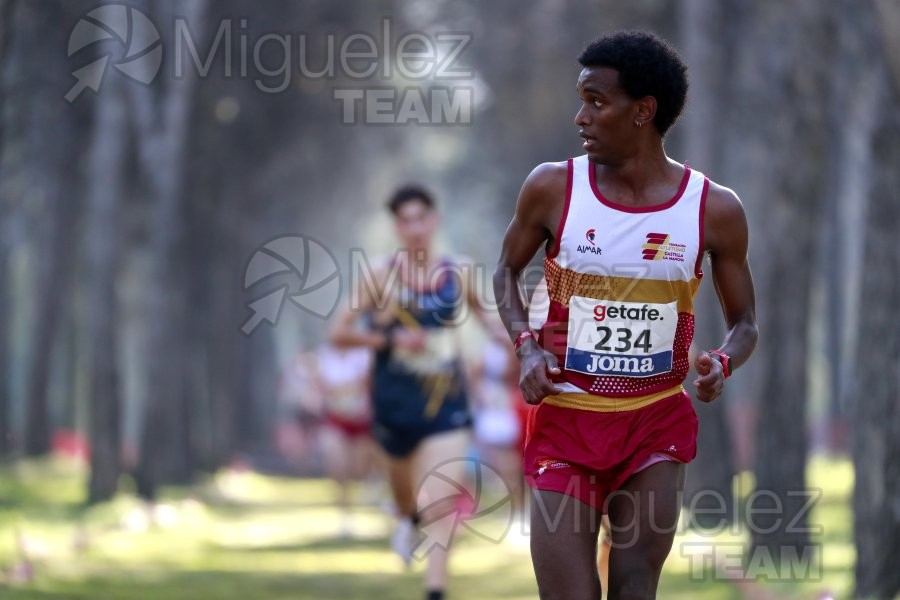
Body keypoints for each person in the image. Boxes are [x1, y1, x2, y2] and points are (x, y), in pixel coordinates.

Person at [493, 31, 758, 599]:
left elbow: (745, 324)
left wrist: (721, 363)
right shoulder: (553, 187)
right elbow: (504, 273)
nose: (580, 116)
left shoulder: (712, 208)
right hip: (566, 422)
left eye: (596, 101)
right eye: (581, 100)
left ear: (643, 111)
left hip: (653, 424)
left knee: (635, 588)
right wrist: (527, 346)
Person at [330, 185, 508, 600]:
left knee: (440, 497)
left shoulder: (458, 272)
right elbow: (338, 334)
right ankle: (408, 520)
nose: (414, 228)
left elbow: (491, 322)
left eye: (420, 218)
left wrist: (527, 345)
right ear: (396, 226)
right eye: (405, 220)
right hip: (393, 407)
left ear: (434, 220)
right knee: (409, 497)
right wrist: (390, 342)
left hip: (446, 402)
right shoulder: (380, 275)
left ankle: (435, 590)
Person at [311, 342, 377, 538]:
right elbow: (321, 386)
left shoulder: (364, 354)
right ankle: (345, 516)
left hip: (362, 422)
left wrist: (340, 390)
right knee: (337, 466)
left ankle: (372, 495)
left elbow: (366, 382)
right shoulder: (325, 357)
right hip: (335, 421)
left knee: (358, 470)